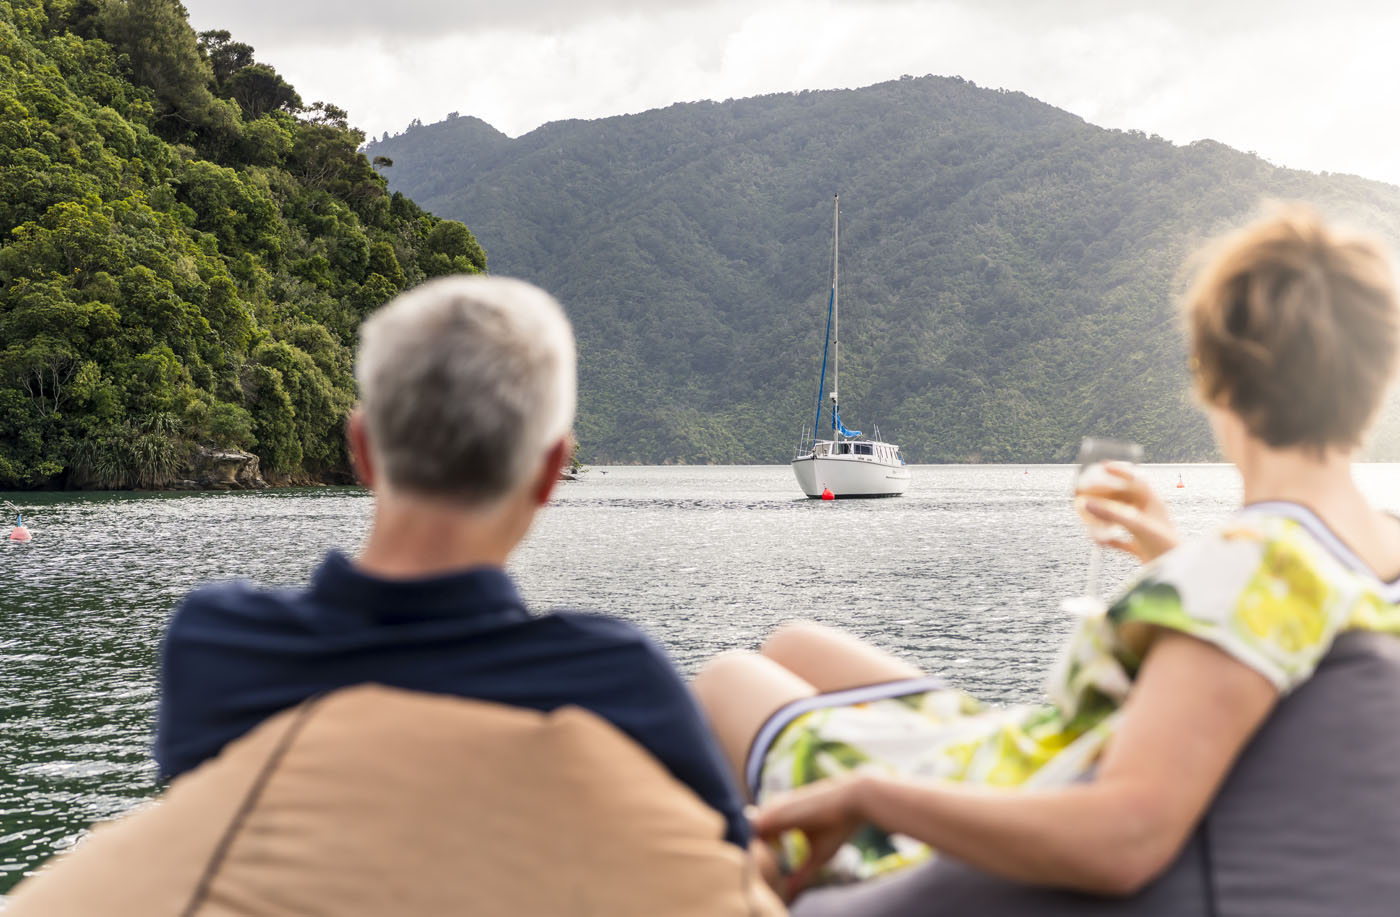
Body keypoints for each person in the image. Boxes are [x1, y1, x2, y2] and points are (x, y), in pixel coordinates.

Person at [694, 205, 1400, 898]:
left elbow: (1124, 839)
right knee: (794, 642)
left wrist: (869, 795)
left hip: (1012, 791)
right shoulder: (1362, 547)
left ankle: (759, 884)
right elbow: (1255, 631)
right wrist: (1167, 555)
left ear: (1216, 380)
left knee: (727, 677)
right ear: (1375, 379)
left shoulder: (1252, 563)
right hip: (1041, 749)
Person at [155, 275, 750, 851]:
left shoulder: (217, 644)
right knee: (743, 676)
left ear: (362, 448)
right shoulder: (615, 680)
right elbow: (727, 869)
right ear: (551, 472)